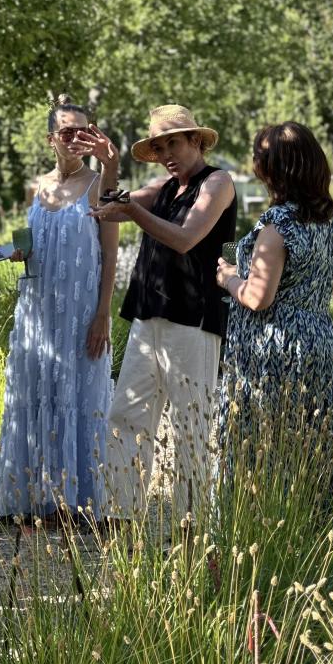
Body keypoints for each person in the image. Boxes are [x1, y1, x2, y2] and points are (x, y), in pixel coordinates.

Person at [92, 104, 236, 519]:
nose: (167, 152)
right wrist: (110, 164)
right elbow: (104, 203)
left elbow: (187, 238)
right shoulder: (161, 188)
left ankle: (193, 524)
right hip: (148, 314)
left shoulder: (218, 182)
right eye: (159, 146)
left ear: (196, 140)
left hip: (194, 320)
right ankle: (120, 515)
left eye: (173, 142)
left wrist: (132, 211)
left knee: (192, 425)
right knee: (126, 414)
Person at [0, 95, 119, 521]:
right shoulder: (38, 186)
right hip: (37, 312)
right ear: (51, 139)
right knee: (35, 394)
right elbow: (31, 244)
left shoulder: (98, 185)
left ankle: (74, 501)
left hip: (81, 312)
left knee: (77, 395)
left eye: (83, 131)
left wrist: (103, 313)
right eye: (66, 131)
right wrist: (14, 252)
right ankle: (31, 495)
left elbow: (110, 257)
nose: (75, 139)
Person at [215, 122, 333, 500]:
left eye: (260, 156)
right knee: (309, 444)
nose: (255, 164)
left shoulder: (277, 226)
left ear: (276, 168)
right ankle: (312, 524)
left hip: (274, 350)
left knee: (262, 445)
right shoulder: (329, 222)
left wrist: (227, 278)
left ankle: (257, 525)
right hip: (317, 342)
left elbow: (258, 297)